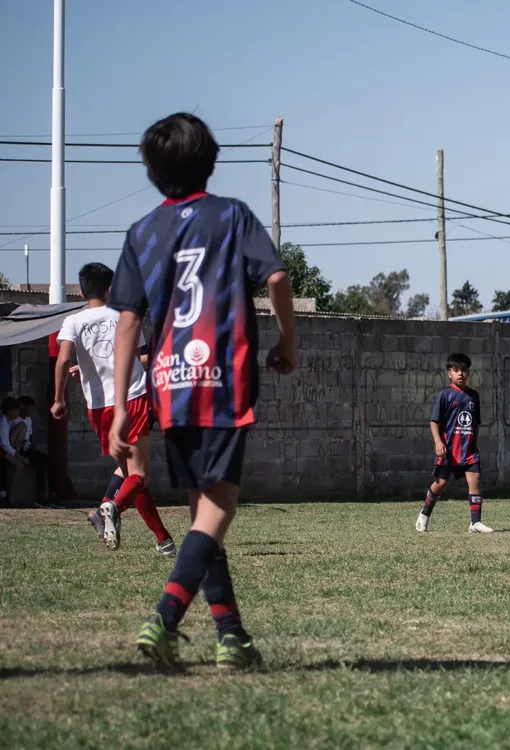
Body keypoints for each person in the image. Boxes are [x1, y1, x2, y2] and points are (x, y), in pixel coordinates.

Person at [106, 112, 298, 671]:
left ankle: (232, 637)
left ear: (150, 171)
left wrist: (122, 406)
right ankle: (163, 619)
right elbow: (278, 278)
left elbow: (127, 324)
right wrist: (289, 340)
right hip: (223, 377)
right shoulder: (231, 216)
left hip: (168, 385)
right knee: (217, 512)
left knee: (200, 515)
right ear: (212, 160)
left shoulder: (140, 232)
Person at [51, 263, 175, 556]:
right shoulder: (124, 315)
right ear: (111, 290)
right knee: (140, 474)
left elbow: (62, 360)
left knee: (128, 470)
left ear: (81, 291)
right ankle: (113, 506)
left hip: (98, 406)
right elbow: (139, 357)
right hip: (131, 396)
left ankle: (162, 540)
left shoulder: (73, 321)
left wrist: (59, 399)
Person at [415, 353, 493, 534]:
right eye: (456, 370)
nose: (461, 374)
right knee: (441, 484)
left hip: (469, 450)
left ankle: (475, 522)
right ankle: (424, 514)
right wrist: (438, 442)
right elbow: (434, 422)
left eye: (464, 370)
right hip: (449, 450)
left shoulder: (474, 396)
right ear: (449, 373)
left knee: (475, 479)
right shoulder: (445, 395)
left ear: (469, 373)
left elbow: (476, 423)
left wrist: (474, 442)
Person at [16, 396, 52, 505]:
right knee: (41, 461)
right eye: (30, 408)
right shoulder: (16, 420)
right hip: (19, 448)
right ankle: (40, 494)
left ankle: (46, 493)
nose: (32, 411)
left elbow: (30, 437)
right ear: (23, 407)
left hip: (28, 447)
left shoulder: (29, 420)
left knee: (46, 459)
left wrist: (34, 448)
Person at [0, 397, 27, 504]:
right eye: (17, 410)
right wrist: (18, 456)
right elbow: (5, 445)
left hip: (4, 450)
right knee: (19, 465)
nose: (19, 412)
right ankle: (10, 494)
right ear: (11, 410)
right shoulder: (2, 422)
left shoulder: (8, 422)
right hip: (2, 450)